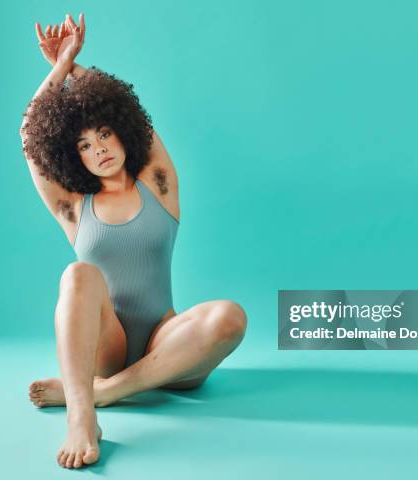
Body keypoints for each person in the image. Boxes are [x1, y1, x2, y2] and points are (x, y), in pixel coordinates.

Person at [19, 13, 248, 470]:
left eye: (104, 134)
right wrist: (59, 67)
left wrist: (78, 66)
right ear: (73, 156)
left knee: (230, 316)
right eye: (84, 145)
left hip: (170, 344)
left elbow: (123, 104)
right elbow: (29, 134)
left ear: (122, 134)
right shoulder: (73, 208)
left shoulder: (158, 185)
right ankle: (83, 415)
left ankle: (101, 391)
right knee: (78, 275)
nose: (99, 148)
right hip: (109, 345)